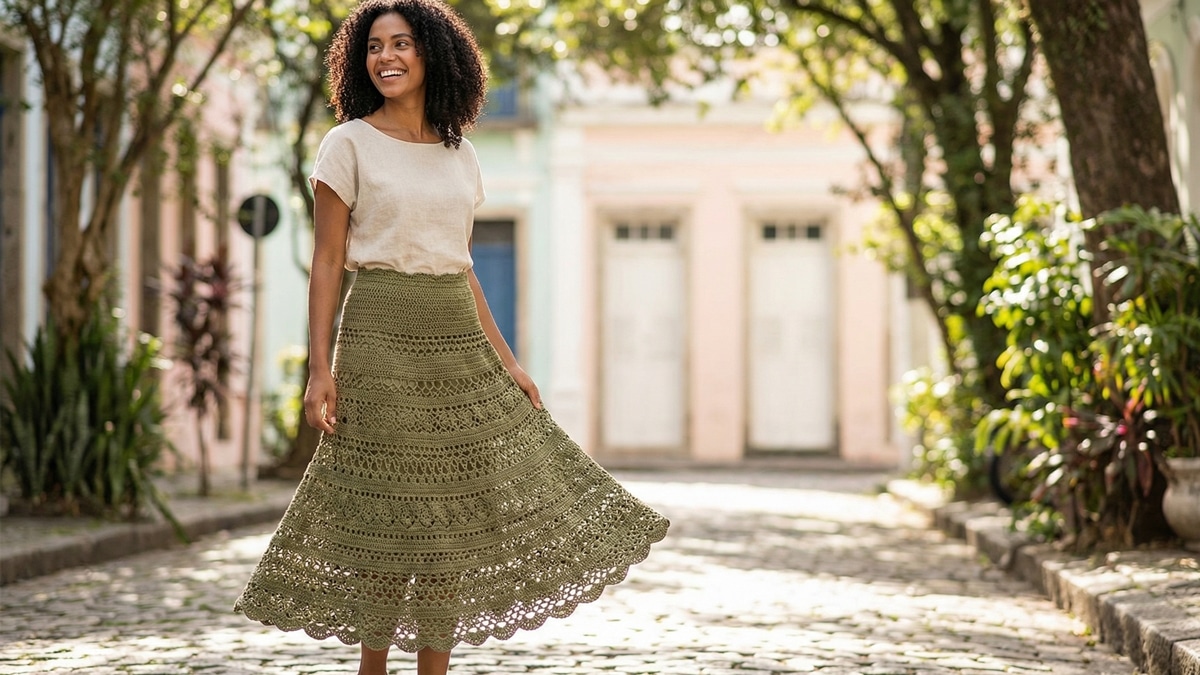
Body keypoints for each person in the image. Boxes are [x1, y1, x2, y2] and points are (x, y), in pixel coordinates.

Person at [233, 1, 670, 674]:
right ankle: (372, 668)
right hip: (378, 335)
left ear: (432, 53)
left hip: (456, 340)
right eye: (374, 46)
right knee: (387, 522)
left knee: (449, 528)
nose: (387, 57)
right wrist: (320, 369)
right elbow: (326, 259)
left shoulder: (458, 154)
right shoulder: (345, 144)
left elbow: (462, 267)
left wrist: (509, 362)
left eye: (401, 43)